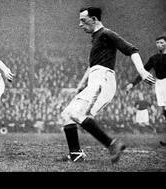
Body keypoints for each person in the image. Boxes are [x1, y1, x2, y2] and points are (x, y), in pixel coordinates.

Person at [59, 7, 155, 163]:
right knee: (67, 114)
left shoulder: (106, 34)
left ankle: (112, 144)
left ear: (95, 19)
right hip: (95, 79)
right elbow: (92, 67)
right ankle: (75, 153)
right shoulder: (97, 38)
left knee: (77, 114)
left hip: (103, 80)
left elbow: (132, 50)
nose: (80, 24)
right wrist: (80, 85)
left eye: (83, 20)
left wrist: (143, 72)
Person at [125, 35, 166, 145]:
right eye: (158, 43)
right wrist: (132, 84)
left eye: (162, 42)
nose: (159, 45)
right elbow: (143, 72)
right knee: (164, 110)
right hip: (160, 84)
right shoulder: (154, 58)